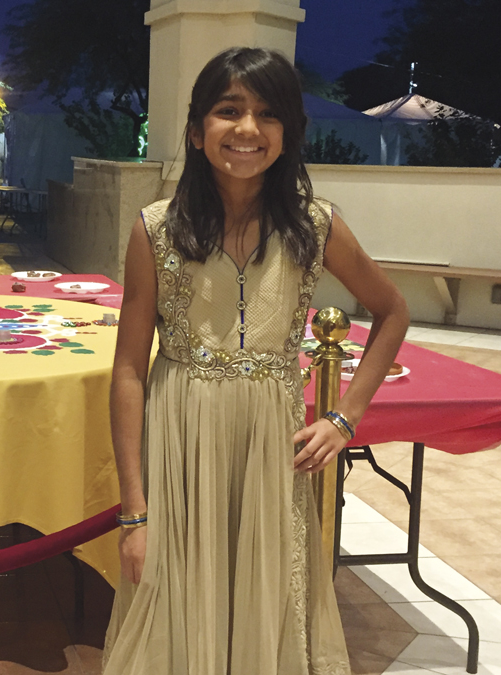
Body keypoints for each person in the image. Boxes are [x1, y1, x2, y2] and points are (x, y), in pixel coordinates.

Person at [102, 47, 409, 675]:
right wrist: (135, 513)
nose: (248, 128)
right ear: (196, 130)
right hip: (181, 444)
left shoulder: (316, 227)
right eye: (229, 110)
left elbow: (392, 311)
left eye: (269, 114)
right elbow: (129, 369)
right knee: (174, 605)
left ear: (289, 132)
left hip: (270, 446)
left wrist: (343, 419)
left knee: (265, 600)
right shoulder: (155, 230)